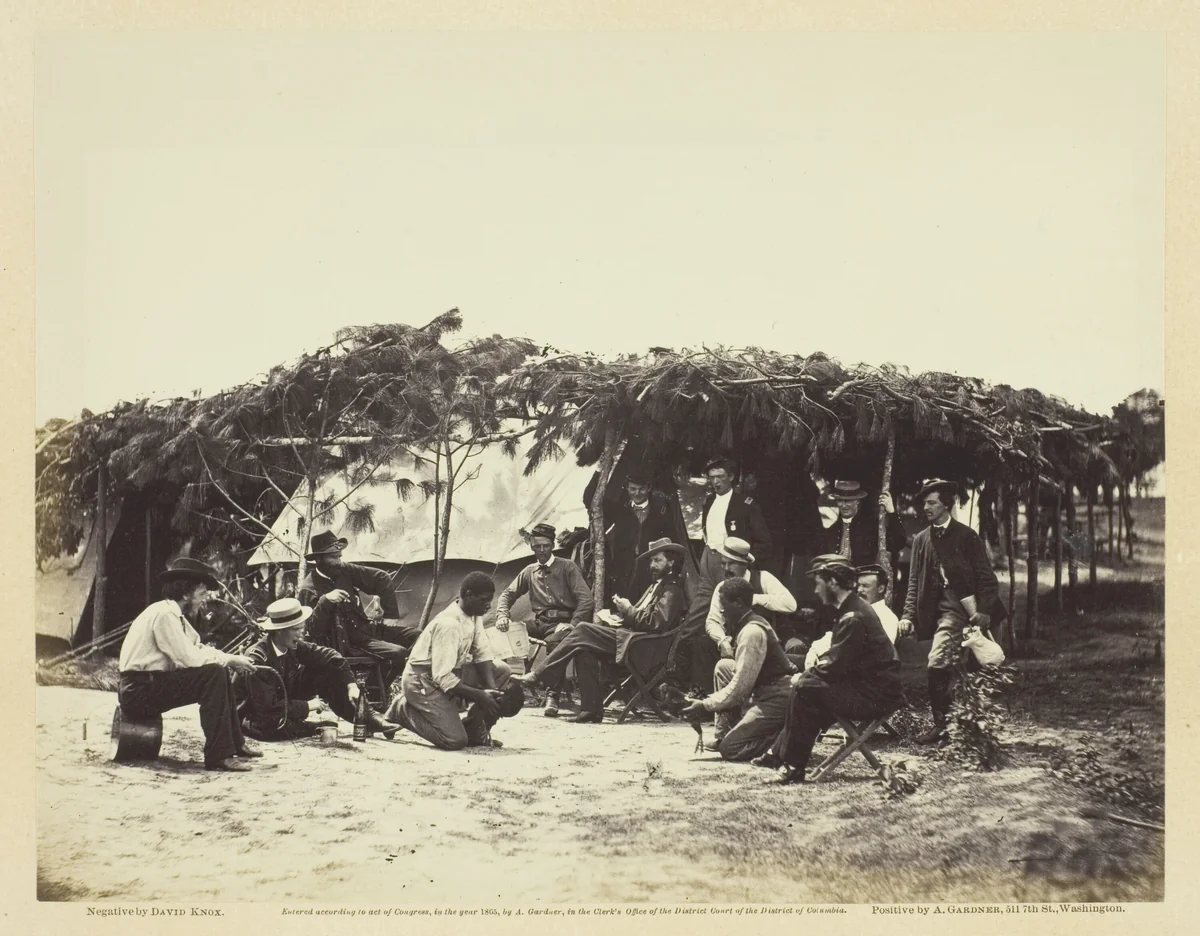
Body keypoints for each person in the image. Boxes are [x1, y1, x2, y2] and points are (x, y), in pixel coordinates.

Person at [762, 555, 904, 783]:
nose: (816, 590)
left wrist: (803, 677)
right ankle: (786, 760)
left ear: (834, 583)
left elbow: (835, 666)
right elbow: (837, 661)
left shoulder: (853, 616)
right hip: (869, 688)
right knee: (806, 687)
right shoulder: (850, 608)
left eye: (819, 583)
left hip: (876, 695)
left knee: (804, 688)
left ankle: (791, 765)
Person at [516, 538, 688, 723]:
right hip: (636, 640)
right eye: (652, 560)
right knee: (584, 648)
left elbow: (655, 623)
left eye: (658, 560)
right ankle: (590, 710)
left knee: (583, 629)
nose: (652, 565)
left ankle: (539, 675)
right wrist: (620, 617)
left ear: (671, 562)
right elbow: (646, 619)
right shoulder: (657, 585)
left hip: (645, 648)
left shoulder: (671, 589)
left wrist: (628, 609)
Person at [116, 558, 263, 772]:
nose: (204, 600)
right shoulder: (165, 615)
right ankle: (219, 755)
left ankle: (235, 743)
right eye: (202, 594)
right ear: (186, 594)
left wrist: (228, 658)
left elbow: (197, 647)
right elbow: (189, 659)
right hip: (138, 690)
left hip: (148, 685)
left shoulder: (175, 615)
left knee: (218, 670)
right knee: (213, 674)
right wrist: (230, 659)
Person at [897, 479, 1008, 744]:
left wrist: (984, 611)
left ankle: (970, 728)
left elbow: (986, 578)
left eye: (932, 503)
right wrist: (908, 615)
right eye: (924, 503)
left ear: (946, 504)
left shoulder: (967, 536)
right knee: (940, 663)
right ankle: (943, 726)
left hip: (971, 608)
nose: (926, 508)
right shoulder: (921, 540)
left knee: (976, 667)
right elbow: (913, 583)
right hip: (944, 611)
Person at [385, 573, 523, 751]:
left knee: (502, 670)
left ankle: (474, 730)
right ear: (468, 595)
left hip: (447, 674)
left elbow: (482, 652)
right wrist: (481, 695)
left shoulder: (473, 615)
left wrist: (492, 690)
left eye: (490, 600)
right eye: (484, 600)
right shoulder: (449, 625)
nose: (489, 606)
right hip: (422, 682)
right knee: (454, 740)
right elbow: (442, 677)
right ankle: (402, 710)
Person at [235, 597, 401, 741]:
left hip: (280, 705)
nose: (301, 634)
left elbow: (333, 657)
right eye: (296, 630)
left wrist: (352, 686)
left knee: (325, 669)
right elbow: (268, 708)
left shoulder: (292, 645)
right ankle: (310, 727)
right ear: (278, 632)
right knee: (274, 728)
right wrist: (308, 706)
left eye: (302, 628)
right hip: (257, 717)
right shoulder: (258, 658)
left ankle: (369, 719)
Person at [680, 578, 796, 761]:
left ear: (738, 603)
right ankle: (724, 733)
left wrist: (705, 704)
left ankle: (783, 737)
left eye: (724, 604)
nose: (721, 610)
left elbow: (740, 688)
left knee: (730, 749)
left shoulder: (752, 632)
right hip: (765, 690)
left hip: (777, 697)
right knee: (724, 666)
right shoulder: (746, 622)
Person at [681, 459, 773, 689]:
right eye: (712, 477)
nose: (716, 482)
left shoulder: (746, 504)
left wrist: (745, 563)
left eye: (720, 477)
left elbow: (763, 542)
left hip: (732, 567)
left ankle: (726, 680)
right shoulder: (709, 501)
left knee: (729, 619)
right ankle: (682, 677)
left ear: (731, 477)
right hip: (709, 563)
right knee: (693, 621)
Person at [494, 522, 595, 716]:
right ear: (532, 547)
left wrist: (572, 624)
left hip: (561, 623)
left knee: (554, 642)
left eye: (546, 546)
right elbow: (507, 594)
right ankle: (501, 687)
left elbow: (586, 599)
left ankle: (552, 695)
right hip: (540, 622)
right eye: (537, 546)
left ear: (552, 546)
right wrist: (502, 615)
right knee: (501, 633)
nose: (541, 550)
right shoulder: (529, 571)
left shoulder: (567, 567)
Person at [297, 531, 410, 688]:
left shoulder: (344, 570)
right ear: (319, 559)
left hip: (366, 631)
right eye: (333, 557)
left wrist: (390, 615)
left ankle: (372, 689)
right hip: (346, 644)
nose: (339, 561)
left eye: (339, 556)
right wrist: (325, 601)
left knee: (416, 637)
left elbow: (381, 577)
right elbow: (313, 630)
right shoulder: (308, 589)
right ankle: (373, 693)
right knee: (398, 653)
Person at [687, 537, 797, 693]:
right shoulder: (722, 587)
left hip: (761, 641)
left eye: (731, 564)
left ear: (744, 564)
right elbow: (712, 621)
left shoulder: (763, 578)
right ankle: (704, 696)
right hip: (734, 642)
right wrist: (722, 641)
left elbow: (791, 605)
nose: (726, 568)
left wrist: (755, 599)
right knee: (702, 644)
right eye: (723, 563)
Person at [583, 467, 676, 600]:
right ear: (627, 488)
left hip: (649, 573)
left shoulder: (660, 512)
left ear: (649, 488)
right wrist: (600, 469)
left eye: (641, 489)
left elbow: (672, 543)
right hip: (623, 573)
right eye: (633, 489)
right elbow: (589, 499)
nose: (637, 493)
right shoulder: (621, 510)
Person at [803, 563, 900, 668]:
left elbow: (878, 658)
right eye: (859, 585)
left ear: (880, 589)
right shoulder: (854, 608)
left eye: (865, 586)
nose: (859, 590)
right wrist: (813, 651)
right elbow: (831, 638)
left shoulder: (887, 618)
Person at [819, 480, 908, 567]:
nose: (843, 505)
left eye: (848, 501)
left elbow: (898, 542)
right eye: (840, 500)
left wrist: (892, 512)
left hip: (863, 576)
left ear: (857, 501)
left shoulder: (871, 527)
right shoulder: (831, 531)